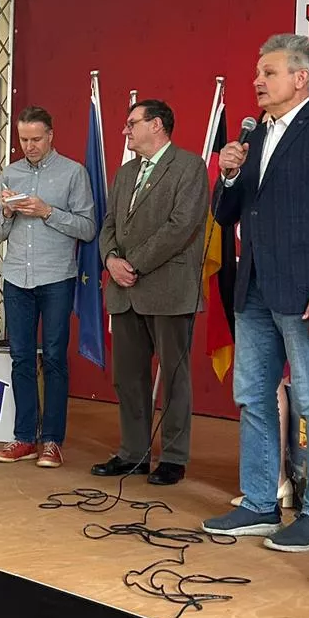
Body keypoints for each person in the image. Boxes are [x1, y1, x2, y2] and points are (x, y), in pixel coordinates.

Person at [203, 33, 309, 551]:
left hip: (305, 290)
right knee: (253, 396)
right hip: (253, 289)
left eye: (268, 73)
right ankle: (259, 504)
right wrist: (228, 176)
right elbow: (225, 214)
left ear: (301, 78)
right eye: (257, 73)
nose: (257, 81)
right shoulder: (253, 136)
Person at [91, 99, 209, 486]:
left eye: (132, 123)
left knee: (174, 378)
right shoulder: (126, 172)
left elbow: (181, 226)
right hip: (124, 290)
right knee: (128, 378)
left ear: (156, 125)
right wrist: (111, 259)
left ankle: (173, 458)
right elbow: (109, 223)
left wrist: (133, 264)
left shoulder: (189, 166)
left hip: (169, 289)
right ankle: (134, 453)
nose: (125, 130)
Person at [0, 106, 97, 469]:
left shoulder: (73, 173)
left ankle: (52, 440)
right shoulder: (10, 172)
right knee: (20, 357)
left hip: (56, 277)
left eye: (36, 139)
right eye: (23, 139)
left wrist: (47, 211)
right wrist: (6, 212)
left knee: (53, 357)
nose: (30, 146)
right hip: (16, 276)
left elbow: (88, 228)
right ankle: (24, 438)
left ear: (51, 135)